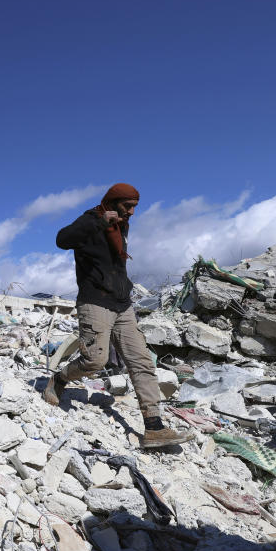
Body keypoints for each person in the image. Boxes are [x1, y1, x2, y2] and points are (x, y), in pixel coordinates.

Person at [45, 183, 192, 449]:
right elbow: (62, 239)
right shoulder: (92, 219)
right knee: (95, 360)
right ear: (112, 202)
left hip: (122, 303)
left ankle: (154, 427)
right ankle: (59, 379)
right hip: (95, 301)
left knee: (142, 362)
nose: (132, 212)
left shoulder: (122, 225)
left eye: (135, 206)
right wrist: (100, 223)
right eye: (127, 206)